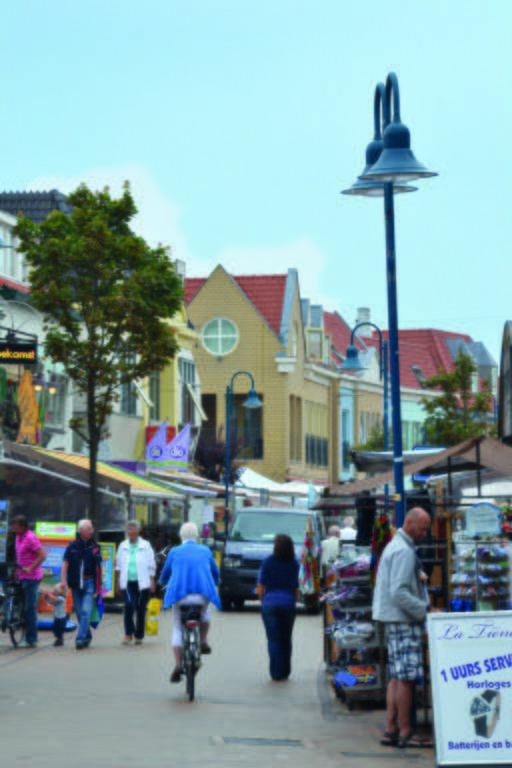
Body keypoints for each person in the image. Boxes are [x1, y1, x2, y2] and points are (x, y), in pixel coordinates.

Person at [372, 507, 433, 749]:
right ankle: (406, 731)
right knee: (406, 678)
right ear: (409, 523)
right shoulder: (404, 551)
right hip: (403, 619)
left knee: (397, 677)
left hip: (394, 618)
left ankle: (391, 728)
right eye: (422, 528)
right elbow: (399, 592)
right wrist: (424, 609)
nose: (425, 533)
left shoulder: (396, 546)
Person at [159, 521, 220, 683]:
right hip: (201, 595)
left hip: (180, 595)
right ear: (197, 536)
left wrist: (162, 581)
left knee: (178, 627)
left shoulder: (174, 551)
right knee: (206, 611)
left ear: (181, 536)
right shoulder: (205, 550)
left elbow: (165, 573)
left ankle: (178, 663)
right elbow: (215, 571)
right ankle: (203, 640)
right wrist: (216, 580)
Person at [257, 533, 299, 682]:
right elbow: (296, 589)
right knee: (286, 639)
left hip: (270, 604)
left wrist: (263, 601)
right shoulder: (294, 564)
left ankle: (276, 673)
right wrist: (293, 601)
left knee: (273, 639)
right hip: (288, 604)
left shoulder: (268, 562)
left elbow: (261, 586)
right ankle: (286, 671)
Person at [61, 519, 102, 650]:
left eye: (92, 528)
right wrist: (63, 581)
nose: (92, 531)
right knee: (79, 613)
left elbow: (100, 567)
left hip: (90, 583)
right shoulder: (72, 546)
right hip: (75, 584)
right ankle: (87, 636)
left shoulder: (95, 547)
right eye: (89, 528)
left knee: (85, 612)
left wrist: (100, 586)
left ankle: (79, 638)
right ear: (81, 531)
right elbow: (65, 563)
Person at [115, 520, 156, 645]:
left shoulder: (145, 545)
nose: (131, 532)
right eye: (129, 530)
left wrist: (152, 580)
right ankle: (128, 634)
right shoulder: (123, 545)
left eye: (133, 529)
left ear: (138, 531)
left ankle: (139, 635)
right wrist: (117, 580)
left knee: (140, 609)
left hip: (142, 582)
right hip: (127, 582)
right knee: (128, 605)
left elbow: (151, 563)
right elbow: (118, 565)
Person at [11, 515, 46, 648]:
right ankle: (25, 634)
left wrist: (30, 568)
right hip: (22, 575)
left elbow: (42, 555)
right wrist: (16, 571)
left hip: (32, 577)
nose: (13, 528)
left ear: (23, 526)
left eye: (16, 525)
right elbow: (19, 556)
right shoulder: (18, 537)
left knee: (29, 608)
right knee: (22, 607)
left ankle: (32, 639)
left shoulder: (31, 538)